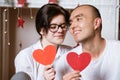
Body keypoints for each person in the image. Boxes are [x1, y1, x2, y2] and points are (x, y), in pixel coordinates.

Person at [55, 4, 120, 80]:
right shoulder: (64, 61)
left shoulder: (117, 51)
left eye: (79, 19)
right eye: (70, 23)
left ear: (96, 23)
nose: (72, 26)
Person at [14, 3, 72, 80]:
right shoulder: (25, 56)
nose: (60, 30)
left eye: (63, 26)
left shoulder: (71, 53)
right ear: (42, 30)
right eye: (53, 27)